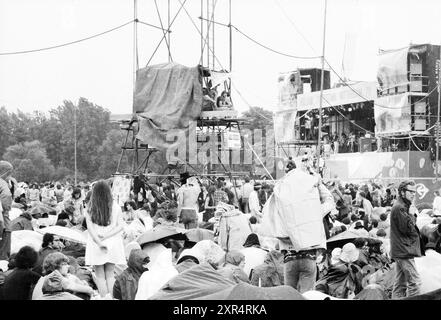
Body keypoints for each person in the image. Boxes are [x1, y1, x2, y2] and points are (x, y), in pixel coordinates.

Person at [85, 180, 126, 298]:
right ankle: (112, 298)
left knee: (100, 276)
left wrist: (99, 242)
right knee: (110, 274)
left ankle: (104, 298)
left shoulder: (90, 208)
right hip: (113, 243)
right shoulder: (116, 207)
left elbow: (90, 229)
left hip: (96, 244)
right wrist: (107, 236)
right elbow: (121, 226)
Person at [390, 180, 422, 299]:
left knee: (400, 284)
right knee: (415, 283)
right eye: (410, 191)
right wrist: (412, 215)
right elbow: (406, 229)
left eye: (415, 192)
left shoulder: (403, 206)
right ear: (402, 192)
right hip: (404, 251)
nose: (413, 194)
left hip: (401, 249)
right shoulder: (400, 208)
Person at [0, 161, 13, 260]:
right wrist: (6, 209)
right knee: (3, 255)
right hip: (3, 222)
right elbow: (7, 195)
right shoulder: (2, 182)